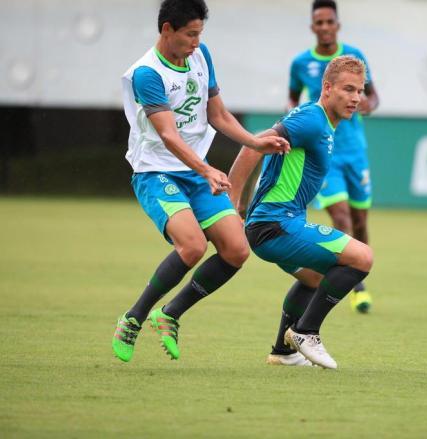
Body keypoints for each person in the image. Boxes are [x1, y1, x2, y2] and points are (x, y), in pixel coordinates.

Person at [112, 0, 289, 362]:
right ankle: (133, 318)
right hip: (155, 171)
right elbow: (169, 136)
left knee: (237, 251)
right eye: (190, 34)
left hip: (194, 170)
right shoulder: (147, 74)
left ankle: (170, 314)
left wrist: (255, 142)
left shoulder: (200, 54)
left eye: (199, 34)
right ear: (166, 30)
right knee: (192, 246)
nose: (196, 42)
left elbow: (218, 114)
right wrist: (208, 170)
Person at [228, 56, 373, 369]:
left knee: (314, 277)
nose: (356, 98)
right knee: (362, 257)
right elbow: (255, 144)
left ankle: (283, 351)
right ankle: (306, 332)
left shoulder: (322, 124)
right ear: (327, 87)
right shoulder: (312, 119)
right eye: (348, 89)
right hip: (274, 226)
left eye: (359, 91)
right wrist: (232, 203)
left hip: (274, 225)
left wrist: (243, 207)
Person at [288, 0, 380, 313]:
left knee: (359, 221)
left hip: (356, 152)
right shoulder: (301, 63)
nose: (325, 27)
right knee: (339, 217)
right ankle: (356, 285)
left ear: (337, 24)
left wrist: (369, 103)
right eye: (319, 22)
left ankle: (358, 269)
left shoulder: (354, 57)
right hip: (324, 152)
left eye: (330, 22)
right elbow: (292, 98)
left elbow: (374, 95)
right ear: (313, 26)